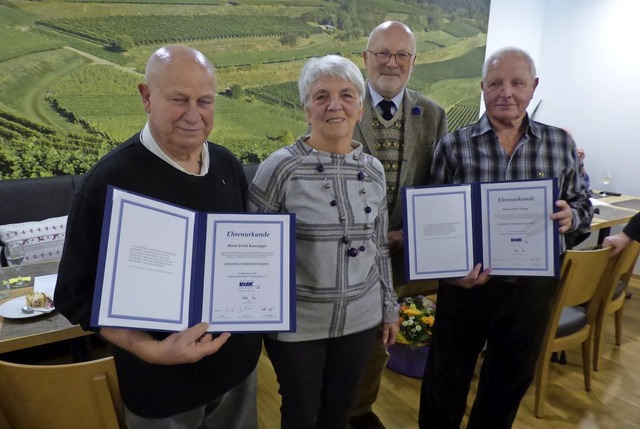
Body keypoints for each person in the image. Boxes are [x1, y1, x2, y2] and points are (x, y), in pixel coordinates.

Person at [54, 45, 262, 428]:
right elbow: (74, 294)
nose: (193, 115)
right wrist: (148, 349)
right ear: (146, 97)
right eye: (178, 99)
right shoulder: (108, 181)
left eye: (205, 101)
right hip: (161, 388)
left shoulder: (228, 165)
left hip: (237, 372)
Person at [419, 47, 593, 429]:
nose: (506, 92)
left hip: (531, 289)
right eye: (496, 83)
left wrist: (572, 216)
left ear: (533, 87)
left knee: (509, 381)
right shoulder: (454, 145)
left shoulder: (559, 144)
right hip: (467, 286)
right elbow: (434, 222)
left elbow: (582, 205)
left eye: (517, 83)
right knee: (445, 380)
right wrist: (449, 274)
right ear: (482, 87)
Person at [247, 54, 399, 429]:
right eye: (321, 96)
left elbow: (379, 246)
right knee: (301, 411)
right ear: (306, 109)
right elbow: (250, 247)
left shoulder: (373, 170)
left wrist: (389, 305)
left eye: (347, 95)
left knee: (340, 410)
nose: (335, 105)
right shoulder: (280, 167)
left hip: (360, 319)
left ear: (360, 108)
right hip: (298, 323)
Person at [349, 20, 448, 429]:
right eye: (383, 53)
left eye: (401, 55)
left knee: (379, 342)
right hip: (349, 253)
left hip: (401, 253)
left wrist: (411, 235)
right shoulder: (341, 104)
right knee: (344, 340)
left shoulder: (434, 115)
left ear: (413, 61)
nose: (391, 63)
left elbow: (440, 188)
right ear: (366, 58)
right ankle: (333, 410)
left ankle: (360, 411)